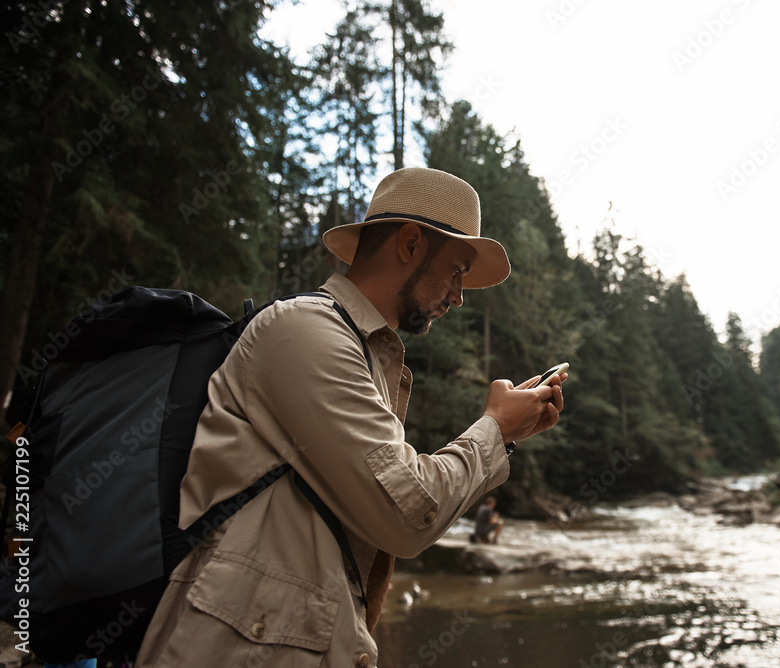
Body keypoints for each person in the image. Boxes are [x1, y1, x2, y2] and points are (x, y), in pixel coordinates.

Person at [135, 167, 567, 668]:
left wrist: (505, 435)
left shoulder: (358, 353)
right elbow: (406, 515)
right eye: (456, 269)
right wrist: (495, 428)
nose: (458, 295)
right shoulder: (304, 331)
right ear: (409, 244)